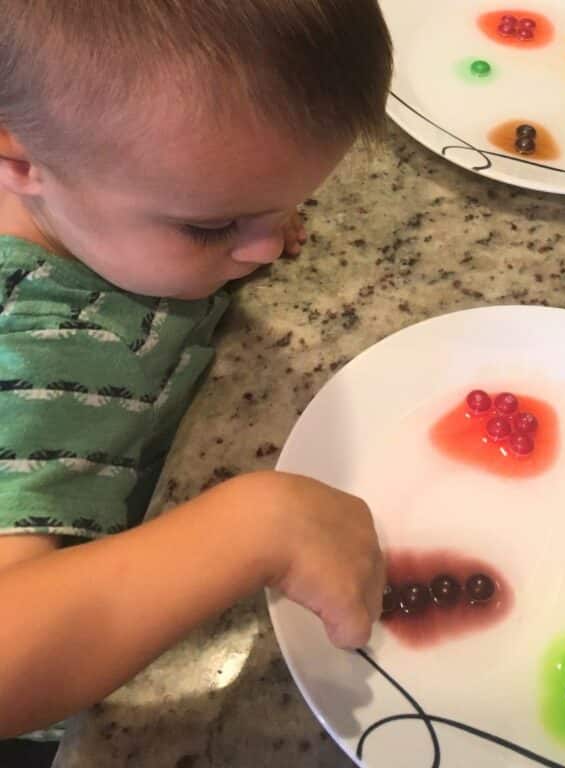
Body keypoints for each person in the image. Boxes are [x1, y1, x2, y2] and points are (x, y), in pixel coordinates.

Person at [0, 0, 393, 744]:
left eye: (288, 207)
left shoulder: (101, 177)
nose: (272, 247)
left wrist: (244, 216)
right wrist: (255, 527)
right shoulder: (33, 347)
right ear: (20, 161)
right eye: (212, 225)